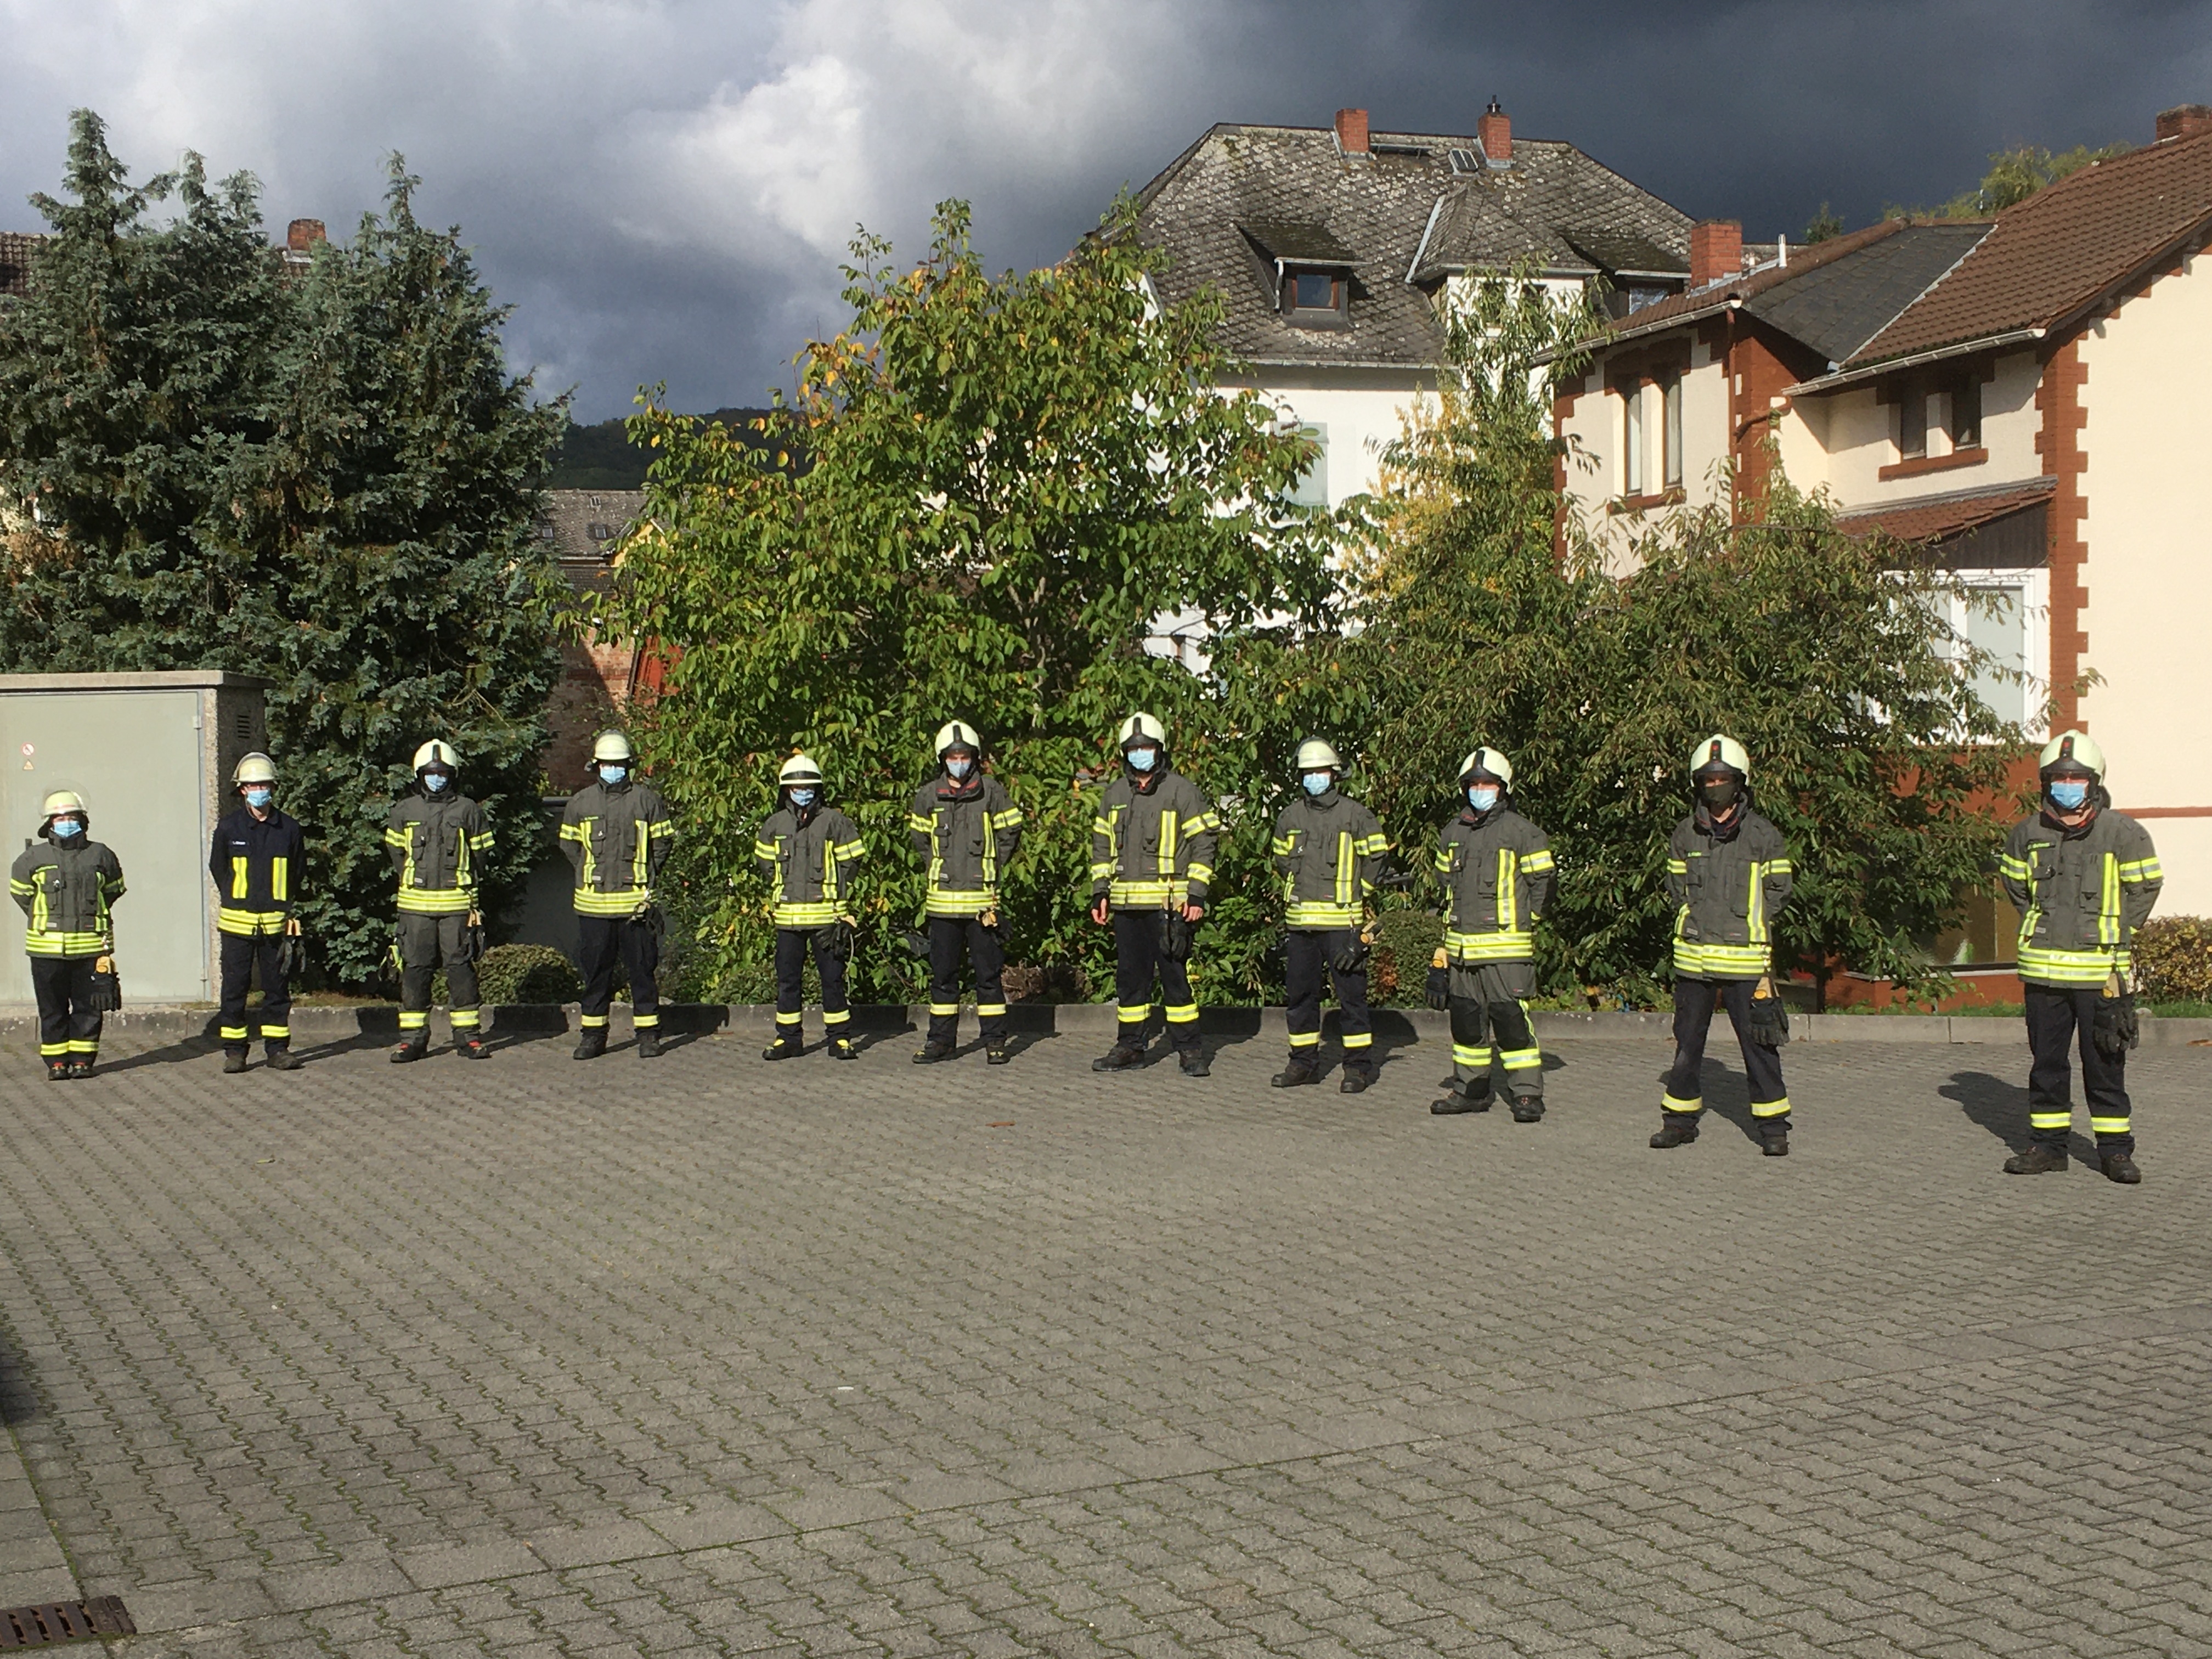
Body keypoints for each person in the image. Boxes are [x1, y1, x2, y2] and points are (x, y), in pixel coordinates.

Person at [1997, 731, 2162, 1183]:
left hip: (2100, 974)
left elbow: (2145, 887)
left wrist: (2119, 930)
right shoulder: (2027, 833)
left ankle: (2115, 1152)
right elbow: (2015, 888)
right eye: (2058, 777)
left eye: (2076, 778)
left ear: (2095, 783)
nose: (2066, 784)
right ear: (2045, 782)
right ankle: (2048, 1148)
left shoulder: (2124, 834)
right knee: (2047, 1065)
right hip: (2043, 973)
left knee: (2105, 1065)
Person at [1653, 734, 1795, 1154]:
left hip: (1746, 962)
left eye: (1722, 778)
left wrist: (1747, 925)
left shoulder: (1763, 836)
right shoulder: (1685, 834)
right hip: (1693, 963)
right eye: (1707, 779)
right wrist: (1692, 921)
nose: (1714, 786)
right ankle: (1679, 1122)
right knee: (1686, 1047)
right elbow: (1675, 888)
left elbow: (1779, 891)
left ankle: (1773, 1129)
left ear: (1740, 782)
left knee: (1760, 1047)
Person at [1090, 713, 1221, 1076]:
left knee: (1176, 980)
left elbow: (1204, 843)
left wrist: (1195, 895)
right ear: (1124, 753)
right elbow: (1102, 848)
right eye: (1133, 749)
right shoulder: (1115, 795)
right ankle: (1130, 1046)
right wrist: (1100, 892)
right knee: (1130, 980)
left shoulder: (1181, 791)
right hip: (1126, 905)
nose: (1140, 754)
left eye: (1146, 747)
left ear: (1160, 750)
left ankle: (1190, 1050)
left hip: (1169, 906)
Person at [1429, 747, 1555, 1121]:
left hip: (1505, 950)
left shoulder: (1523, 833)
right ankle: (1472, 1090)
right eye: (1474, 784)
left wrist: (1526, 920)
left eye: (1487, 784)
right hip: (1463, 951)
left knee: (1512, 1022)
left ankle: (1527, 1095)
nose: (1480, 789)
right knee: (1467, 1024)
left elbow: (1544, 884)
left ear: (1503, 788)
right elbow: (1444, 885)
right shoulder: (1452, 833)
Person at [1269, 738, 1391, 1093]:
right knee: (1300, 997)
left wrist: (1362, 890)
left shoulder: (1355, 815)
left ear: (1335, 775)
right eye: (1308, 773)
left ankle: (1358, 1068)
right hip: (1301, 926)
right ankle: (1302, 1062)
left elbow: (1378, 856)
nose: (1314, 778)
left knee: (1352, 998)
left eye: (1320, 772)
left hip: (1343, 924)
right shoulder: (1290, 816)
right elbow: (1281, 859)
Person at [907, 721, 1025, 1065]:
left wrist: (990, 864)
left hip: (981, 904)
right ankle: (941, 1041)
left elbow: (1010, 833)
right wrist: (939, 866)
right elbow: (921, 841)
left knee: (988, 978)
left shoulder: (992, 792)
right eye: (953, 756)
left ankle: (994, 1041)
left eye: (965, 756)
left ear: (975, 758)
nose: (959, 761)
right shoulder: (929, 796)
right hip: (942, 905)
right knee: (943, 978)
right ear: (942, 759)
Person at [561, 731, 677, 1060]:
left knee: (642, 971)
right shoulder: (580, 803)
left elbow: (663, 843)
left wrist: (646, 874)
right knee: (597, 975)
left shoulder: (646, 801)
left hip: (635, 907)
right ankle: (593, 1037)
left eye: (619, 765)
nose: (613, 770)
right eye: (607, 765)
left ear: (630, 766)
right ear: (596, 766)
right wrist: (587, 871)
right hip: (593, 907)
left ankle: (649, 1036)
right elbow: (570, 846)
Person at [385, 740, 493, 1062]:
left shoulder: (468, 810)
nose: (436, 778)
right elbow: (396, 854)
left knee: (460, 971)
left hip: (456, 907)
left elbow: (481, 857)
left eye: (442, 773)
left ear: (452, 775)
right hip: (415, 908)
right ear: (420, 775)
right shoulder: (405, 811)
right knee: (416, 970)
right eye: (431, 773)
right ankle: (413, 1040)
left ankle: (468, 1038)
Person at [754, 753, 864, 1060]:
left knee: (832, 980)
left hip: (827, 917)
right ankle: (788, 1039)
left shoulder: (835, 822)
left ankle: (840, 1039)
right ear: (785, 790)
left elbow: (852, 861)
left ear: (818, 789)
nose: (802, 792)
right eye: (795, 787)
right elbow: (765, 862)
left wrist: (840, 902)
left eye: (808, 787)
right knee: (788, 981)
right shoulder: (774, 824)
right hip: (788, 919)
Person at [9, 790, 125, 1081]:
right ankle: (57, 1063)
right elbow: (21, 895)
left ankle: (84, 1061)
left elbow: (113, 891)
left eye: (71, 816)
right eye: (60, 817)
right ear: (49, 823)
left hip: (90, 948)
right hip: (46, 950)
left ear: (82, 820)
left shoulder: (101, 854)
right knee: (52, 1009)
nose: (66, 822)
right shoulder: (32, 858)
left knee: (89, 1008)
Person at [210, 752, 306, 1073]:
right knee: (235, 990)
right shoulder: (229, 827)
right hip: (237, 925)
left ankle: (278, 1050)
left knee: (277, 990)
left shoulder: (289, 829)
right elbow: (218, 868)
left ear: (273, 788)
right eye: (252, 785)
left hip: (275, 926)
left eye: (263, 784)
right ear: (242, 790)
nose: (258, 790)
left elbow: (297, 872)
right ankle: (235, 1052)